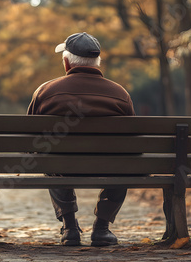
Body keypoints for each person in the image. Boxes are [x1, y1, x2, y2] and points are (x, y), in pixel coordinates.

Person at [27, 32, 136, 246]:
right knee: (125, 162)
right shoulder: (120, 94)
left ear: (67, 63)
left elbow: (28, 138)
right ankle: (102, 228)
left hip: (61, 166)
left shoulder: (45, 92)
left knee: (52, 158)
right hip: (109, 167)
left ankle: (69, 229)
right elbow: (132, 142)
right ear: (97, 63)